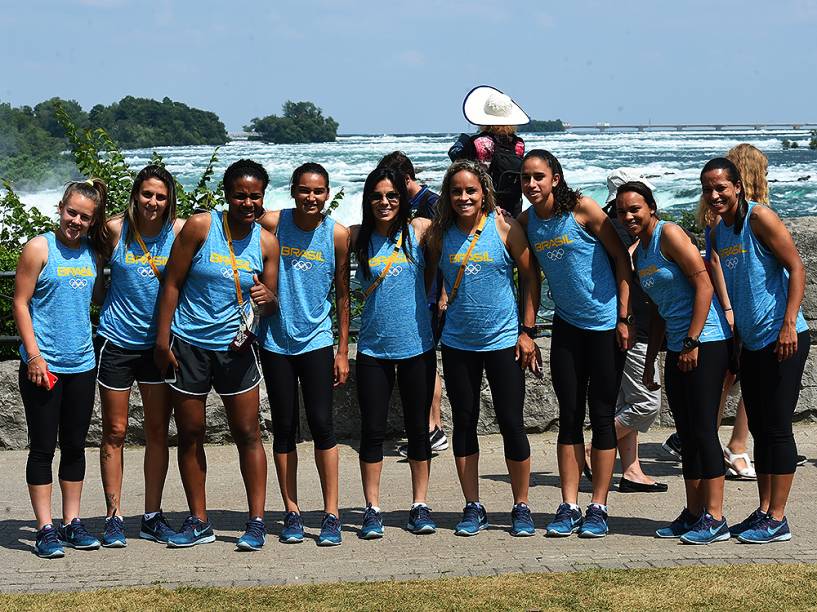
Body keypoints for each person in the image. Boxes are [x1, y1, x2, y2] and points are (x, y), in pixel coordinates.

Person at [154, 159, 279, 550]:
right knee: (190, 434)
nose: (247, 202)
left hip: (236, 348)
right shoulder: (201, 227)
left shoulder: (266, 243)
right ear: (227, 196)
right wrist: (162, 340)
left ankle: (256, 522)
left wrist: (268, 298)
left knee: (248, 434)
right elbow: (172, 282)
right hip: (189, 345)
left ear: (262, 198)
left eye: (254, 196)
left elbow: (270, 305)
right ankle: (199, 521)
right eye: (240, 195)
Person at [518, 150, 632, 538]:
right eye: (525, 178)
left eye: (539, 176)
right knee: (568, 417)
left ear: (556, 178)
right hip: (566, 329)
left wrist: (623, 317)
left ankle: (598, 506)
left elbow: (622, 260)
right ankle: (568, 505)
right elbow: (530, 281)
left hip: (603, 328)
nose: (532, 184)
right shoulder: (527, 222)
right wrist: (527, 331)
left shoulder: (582, 209)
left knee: (601, 417)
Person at [427, 159, 540, 537]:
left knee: (511, 423)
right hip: (459, 344)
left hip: (504, 341)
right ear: (448, 195)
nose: (463, 197)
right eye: (456, 191)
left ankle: (521, 505)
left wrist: (527, 332)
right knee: (464, 423)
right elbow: (434, 278)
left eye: (470, 190)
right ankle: (472, 505)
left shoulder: (504, 227)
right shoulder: (440, 235)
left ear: (484, 192)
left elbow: (529, 276)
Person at [615, 181, 732, 544]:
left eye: (635, 208)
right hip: (678, 347)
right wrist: (651, 361)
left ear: (651, 207)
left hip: (707, 342)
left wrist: (693, 341)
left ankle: (715, 517)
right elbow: (661, 312)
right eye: (622, 211)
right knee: (688, 435)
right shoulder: (640, 253)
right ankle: (693, 512)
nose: (628, 216)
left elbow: (705, 285)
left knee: (703, 431)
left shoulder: (670, 234)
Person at [705, 157, 809, 543]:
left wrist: (787, 323)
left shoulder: (759, 218)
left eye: (721, 188)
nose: (715, 195)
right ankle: (764, 509)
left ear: (737, 187)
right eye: (708, 189)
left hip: (784, 338)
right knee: (762, 430)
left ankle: (778, 517)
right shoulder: (718, 233)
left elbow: (796, 267)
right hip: (751, 343)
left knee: (778, 429)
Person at [13, 179, 110, 558]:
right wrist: (34, 357)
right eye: (72, 212)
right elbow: (20, 303)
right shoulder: (39, 248)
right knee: (42, 448)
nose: (76, 221)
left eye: (85, 217)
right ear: (59, 208)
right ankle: (45, 528)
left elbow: (99, 295)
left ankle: (72, 522)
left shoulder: (93, 253)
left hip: (82, 363)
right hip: (44, 365)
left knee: (74, 446)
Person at [257, 162, 350, 546]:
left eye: (318, 191)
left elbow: (344, 295)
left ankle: (331, 513)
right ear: (293, 191)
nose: (311, 197)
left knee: (323, 426)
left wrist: (343, 350)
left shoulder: (338, 234)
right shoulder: (275, 223)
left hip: (316, 341)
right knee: (283, 428)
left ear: (327, 193)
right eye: (304, 190)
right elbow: (236, 212)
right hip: (275, 341)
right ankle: (291, 511)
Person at [95, 165, 184, 548]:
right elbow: (92, 278)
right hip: (116, 342)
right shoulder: (115, 230)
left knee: (156, 433)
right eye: (147, 194)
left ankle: (151, 515)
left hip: (159, 346)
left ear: (169, 201)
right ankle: (114, 517)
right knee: (114, 432)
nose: (152, 202)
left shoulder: (179, 233)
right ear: (136, 195)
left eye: (160, 196)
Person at [350, 166, 438, 538]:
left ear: (402, 200)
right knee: (371, 431)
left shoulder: (418, 230)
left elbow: (453, 212)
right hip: (373, 348)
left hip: (417, 345)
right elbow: (291, 222)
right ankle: (372, 508)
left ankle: (419, 505)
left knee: (419, 430)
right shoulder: (355, 237)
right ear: (367, 201)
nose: (384, 203)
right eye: (377, 197)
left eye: (392, 196)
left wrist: (495, 210)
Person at [595, 169, 666, 493]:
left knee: (626, 399)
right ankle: (593, 448)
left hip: (619, 324)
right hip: (632, 327)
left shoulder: (609, 225)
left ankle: (633, 470)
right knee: (646, 403)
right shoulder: (624, 231)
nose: (628, 215)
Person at [377, 151, 448, 457]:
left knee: (426, 364)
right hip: (416, 296)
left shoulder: (431, 203)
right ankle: (431, 429)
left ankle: (433, 429)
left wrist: (443, 294)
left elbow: (442, 251)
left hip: (430, 298)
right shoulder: (410, 204)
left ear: (406, 178)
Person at [448, 86, 528, 216]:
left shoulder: (479, 142)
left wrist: (463, 140)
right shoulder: (519, 143)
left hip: (486, 205)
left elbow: (457, 160)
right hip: (513, 205)